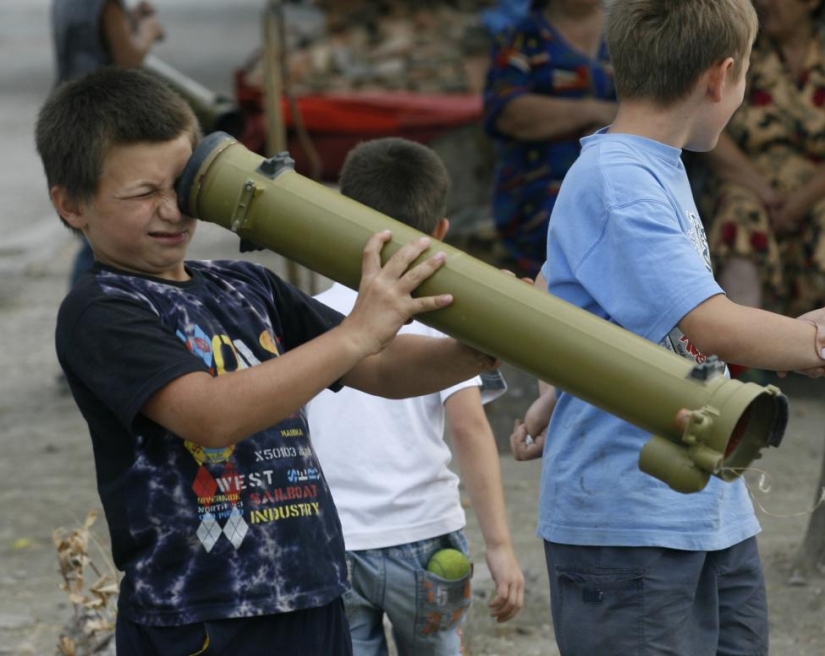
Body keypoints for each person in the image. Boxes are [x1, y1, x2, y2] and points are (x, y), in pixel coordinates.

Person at [35, 67, 499, 655]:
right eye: (142, 194)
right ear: (72, 204)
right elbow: (211, 415)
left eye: (180, 186)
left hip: (312, 593)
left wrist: (477, 350)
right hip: (201, 616)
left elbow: (383, 368)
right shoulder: (101, 311)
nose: (172, 211)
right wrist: (356, 332)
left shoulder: (247, 285)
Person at [527, 0, 825, 654]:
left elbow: (560, 286)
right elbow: (713, 326)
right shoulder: (619, 177)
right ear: (720, 78)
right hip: (629, 523)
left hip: (701, 506)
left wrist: (551, 392)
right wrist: (811, 341)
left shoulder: (651, 166)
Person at [306, 138, 524, 656]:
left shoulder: (308, 318)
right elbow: (470, 428)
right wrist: (499, 545)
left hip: (336, 542)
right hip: (427, 542)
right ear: (440, 233)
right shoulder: (439, 327)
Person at [700, 0, 825, 320]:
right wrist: (763, 190)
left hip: (815, 190)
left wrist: (799, 200)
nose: (764, 3)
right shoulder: (739, 51)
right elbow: (700, 118)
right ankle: (743, 359)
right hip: (746, 181)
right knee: (741, 215)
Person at [482, 0, 617, 278]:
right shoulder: (521, 38)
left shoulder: (630, 34)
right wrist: (597, 111)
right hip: (537, 210)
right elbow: (509, 112)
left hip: (616, 204)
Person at [51, 0, 164, 288]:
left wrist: (130, 21)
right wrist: (148, 32)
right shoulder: (108, 3)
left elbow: (90, 39)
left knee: (92, 225)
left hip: (69, 111)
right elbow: (127, 59)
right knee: (107, 232)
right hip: (104, 117)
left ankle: (86, 306)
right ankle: (89, 308)